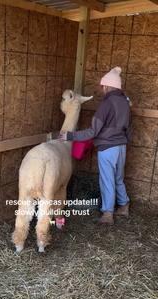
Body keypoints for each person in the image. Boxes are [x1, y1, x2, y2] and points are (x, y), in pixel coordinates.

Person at [59, 66, 131, 225]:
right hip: (121, 146)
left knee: (107, 180)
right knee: (118, 177)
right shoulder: (125, 101)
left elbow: (93, 131)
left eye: (103, 86)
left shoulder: (106, 104)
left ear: (106, 86)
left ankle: (107, 214)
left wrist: (70, 135)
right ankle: (124, 206)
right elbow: (127, 126)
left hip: (108, 148)